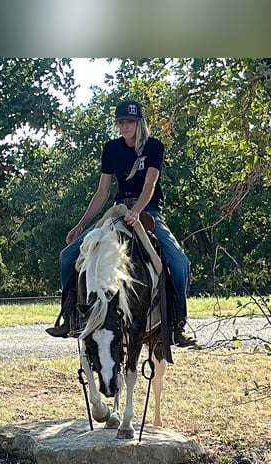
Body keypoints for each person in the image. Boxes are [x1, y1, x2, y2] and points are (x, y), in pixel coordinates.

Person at [46, 99, 197, 347]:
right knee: (67, 256)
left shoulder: (154, 147)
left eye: (130, 122)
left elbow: (150, 184)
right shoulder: (111, 149)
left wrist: (137, 211)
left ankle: (176, 325)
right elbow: (102, 191)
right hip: (117, 209)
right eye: (121, 122)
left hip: (147, 210)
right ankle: (71, 316)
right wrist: (81, 225)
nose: (125, 126)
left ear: (140, 123)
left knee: (180, 262)